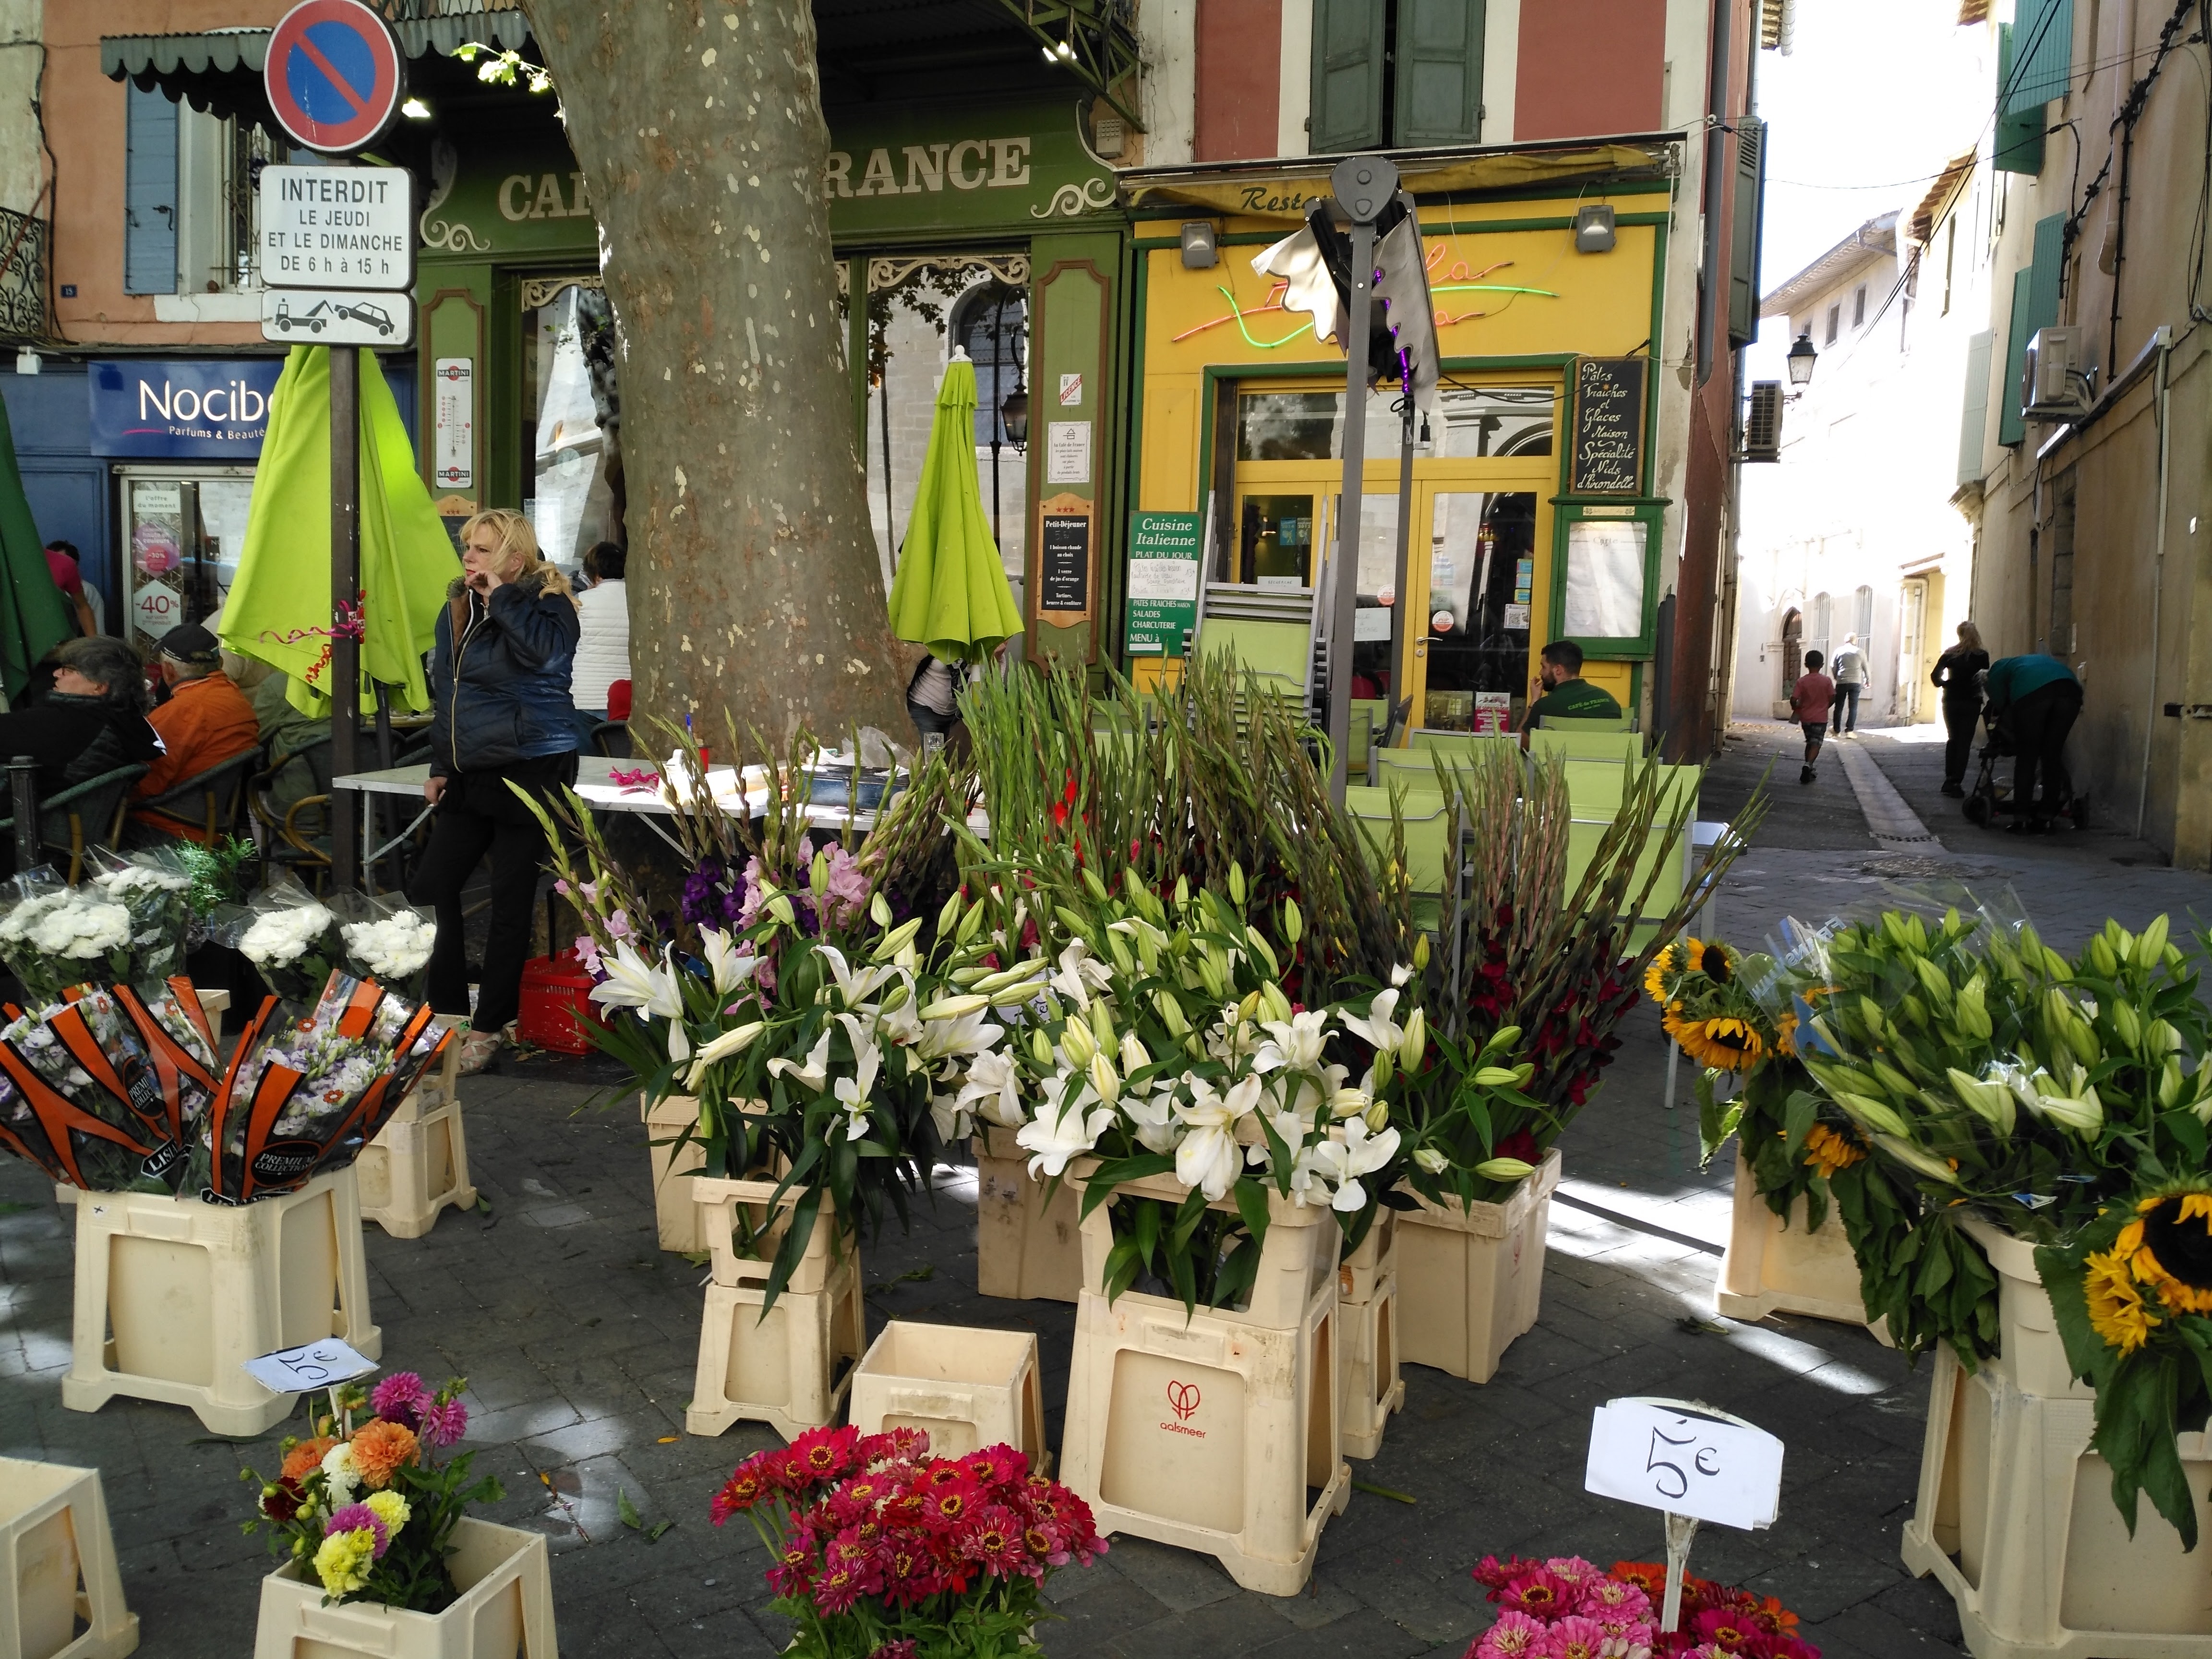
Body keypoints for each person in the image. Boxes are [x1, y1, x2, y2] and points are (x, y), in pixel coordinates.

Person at [409, 508, 582, 1075]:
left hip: (532, 765)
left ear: (514, 558)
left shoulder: (550, 605)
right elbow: (448, 692)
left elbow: (546, 655)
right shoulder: (458, 605)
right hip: (471, 770)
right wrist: (441, 761)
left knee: (510, 902)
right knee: (434, 886)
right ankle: (451, 1010)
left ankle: (492, 1024)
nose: (469, 558)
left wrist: (504, 597)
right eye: (467, 547)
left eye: (482, 549)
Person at [0, 636, 163, 821]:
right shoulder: (123, 722)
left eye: (69, 670)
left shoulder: (69, 722)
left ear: (98, 687)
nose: (56, 674)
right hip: (67, 827)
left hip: (26, 831)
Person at [129, 622, 261, 843]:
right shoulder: (237, 700)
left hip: (168, 827)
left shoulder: (184, 711)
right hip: (210, 823)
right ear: (219, 663)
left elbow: (144, 784)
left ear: (168, 671)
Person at [1983, 652, 2081, 833]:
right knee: (2052, 757)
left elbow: (1999, 704)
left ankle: (2021, 819)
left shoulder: (1996, 671)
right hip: (2070, 690)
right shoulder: (2030, 662)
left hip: (2033, 695)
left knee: (2027, 757)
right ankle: (2046, 818)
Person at [569, 540, 630, 736]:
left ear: (593, 573)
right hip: (627, 700)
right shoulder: (641, 602)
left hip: (585, 699)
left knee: (588, 764)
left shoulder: (581, 602)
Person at [1520, 640, 1622, 749]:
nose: (1541, 673)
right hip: (1604, 766)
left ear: (1558, 670)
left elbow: (1521, 743)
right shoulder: (1610, 702)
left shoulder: (1545, 707)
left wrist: (1534, 701)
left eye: (1543, 667)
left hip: (1560, 766)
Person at [1931, 621, 1991, 797]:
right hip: (1972, 701)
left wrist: (1946, 684)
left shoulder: (1950, 654)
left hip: (1951, 700)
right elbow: (1986, 677)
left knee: (1953, 739)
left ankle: (1949, 779)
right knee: (1965, 742)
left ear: (1959, 634)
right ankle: (1957, 781)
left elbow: (1935, 677)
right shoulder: (1982, 656)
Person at [1791, 649, 1835, 785]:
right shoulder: (1826, 681)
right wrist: (1825, 707)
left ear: (1806, 665)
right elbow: (1833, 697)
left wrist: (1796, 708)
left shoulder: (1802, 681)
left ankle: (1808, 768)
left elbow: (1794, 699)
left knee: (1810, 742)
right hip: (1820, 718)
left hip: (1806, 718)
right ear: (1822, 665)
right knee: (1816, 743)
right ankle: (1808, 764)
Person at [43, 540, 95, 638]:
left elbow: (82, 606)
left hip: (56, 643)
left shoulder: (64, 564)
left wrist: (94, 647)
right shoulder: (6, 567)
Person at [1828, 633, 1865, 736]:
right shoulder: (1860, 652)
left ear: (1845, 640)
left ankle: (1837, 730)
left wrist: (1836, 676)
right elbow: (1865, 667)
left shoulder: (1839, 651)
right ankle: (1850, 731)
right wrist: (1868, 680)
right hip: (1856, 682)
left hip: (1842, 681)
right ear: (1855, 641)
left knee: (1839, 706)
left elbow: (1833, 665)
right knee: (1853, 707)